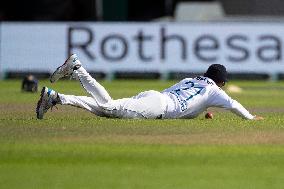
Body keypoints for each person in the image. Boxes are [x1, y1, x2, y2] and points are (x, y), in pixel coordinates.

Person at [36, 54, 263, 120]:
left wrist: (202, 114)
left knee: (103, 110)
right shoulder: (214, 91)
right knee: (109, 106)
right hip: (158, 106)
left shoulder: (190, 80)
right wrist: (251, 119)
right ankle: (77, 69)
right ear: (221, 82)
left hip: (154, 97)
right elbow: (234, 105)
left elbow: (186, 106)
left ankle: (56, 97)